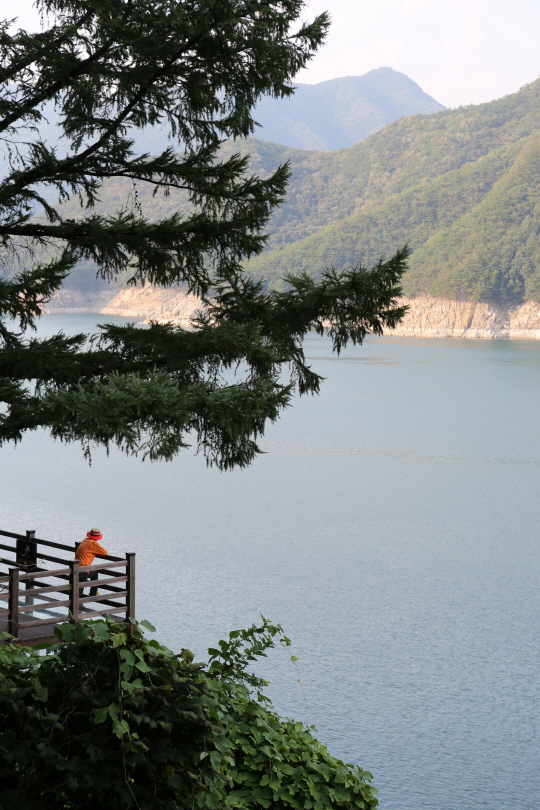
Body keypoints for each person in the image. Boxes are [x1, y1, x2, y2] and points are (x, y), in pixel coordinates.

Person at [76, 528, 108, 599]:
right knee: (79, 591)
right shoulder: (93, 543)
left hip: (76, 568)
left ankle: (93, 594)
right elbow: (105, 553)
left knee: (94, 573)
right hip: (83, 570)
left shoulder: (85, 540)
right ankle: (92, 595)